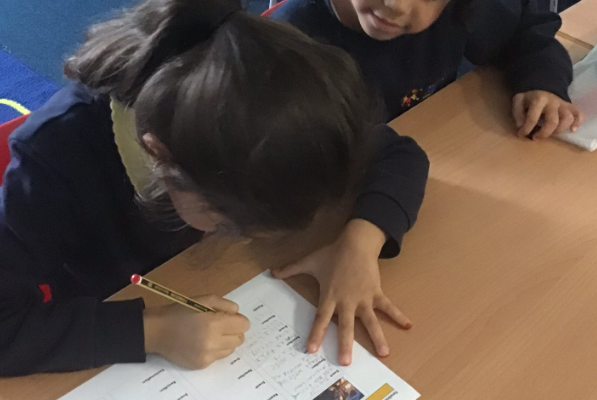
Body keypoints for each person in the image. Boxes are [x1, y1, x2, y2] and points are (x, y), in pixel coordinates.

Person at [0, 0, 429, 376]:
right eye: (231, 223)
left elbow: (399, 155)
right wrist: (150, 331)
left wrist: (360, 243)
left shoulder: (276, 96)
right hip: (113, 310)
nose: (247, 238)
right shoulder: (55, 159)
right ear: (159, 156)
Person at [271, 0, 586, 139]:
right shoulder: (287, 50)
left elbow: (525, 34)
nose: (396, 5)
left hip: (424, 164)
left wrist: (542, 82)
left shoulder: (461, 12)